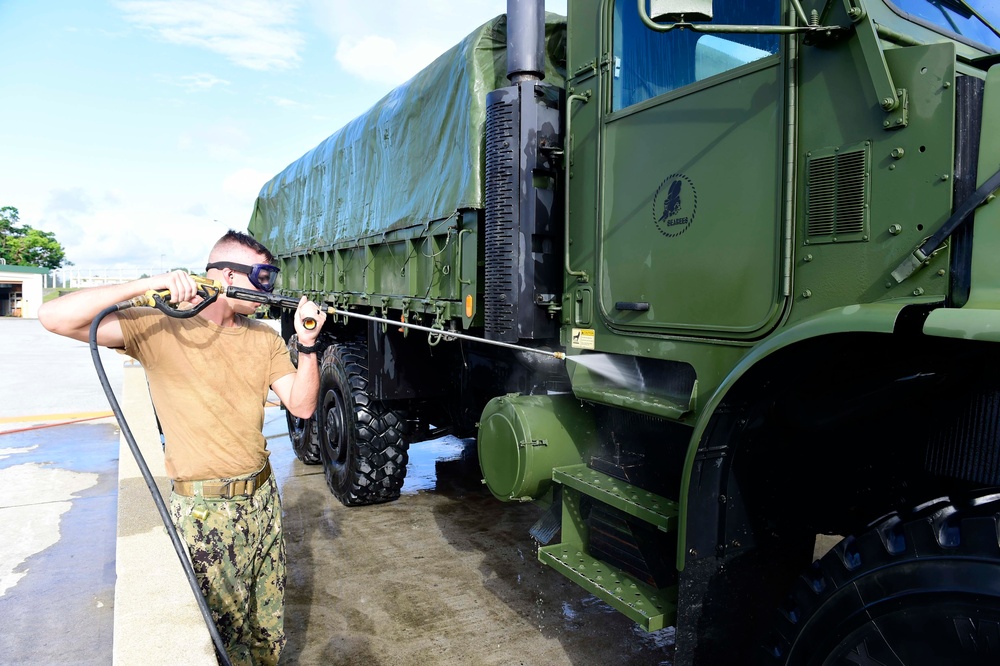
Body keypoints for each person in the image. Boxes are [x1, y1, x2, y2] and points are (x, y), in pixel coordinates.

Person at [38, 229, 324, 666]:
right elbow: (55, 317)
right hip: (204, 513)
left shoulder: (262, 337)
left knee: (265, 633)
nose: (269, 291)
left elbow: (302, 406)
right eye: (262, 278)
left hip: (262, 501)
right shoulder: (159, 325)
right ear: (227, 276)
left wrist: (308, 345)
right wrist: (145, 285)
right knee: (219, 639)